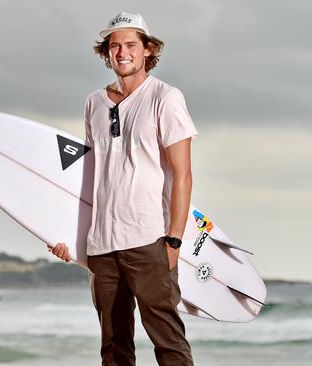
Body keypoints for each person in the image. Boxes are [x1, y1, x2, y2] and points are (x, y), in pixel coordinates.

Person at [48, 11, 196, 366]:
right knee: (113, 347)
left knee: (168, 342)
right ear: (106, 53)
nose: (122, 52)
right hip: (102, 245)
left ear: (147, 50)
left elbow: (183, 174)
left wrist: (174, 240)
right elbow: (89, 176)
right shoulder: (94, 103)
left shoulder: (165, 97)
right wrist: (73, 239)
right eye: (114, 46)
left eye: (131, 44)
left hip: (149, 239)